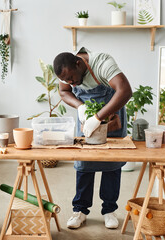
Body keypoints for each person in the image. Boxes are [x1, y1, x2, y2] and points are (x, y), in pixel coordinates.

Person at [53, 47, 132, 229]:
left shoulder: (102, 63)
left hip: (111, 117)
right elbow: (64, 92)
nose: (71, 83)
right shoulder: (64, 70)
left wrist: (98, 118)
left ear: (79, 64)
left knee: (111, 163)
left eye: (72, 78)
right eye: (66, 80)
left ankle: (109, 211)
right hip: (86, 121)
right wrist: (80, 106)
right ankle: (79, 211)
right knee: (84, 164)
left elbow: (125, 91)